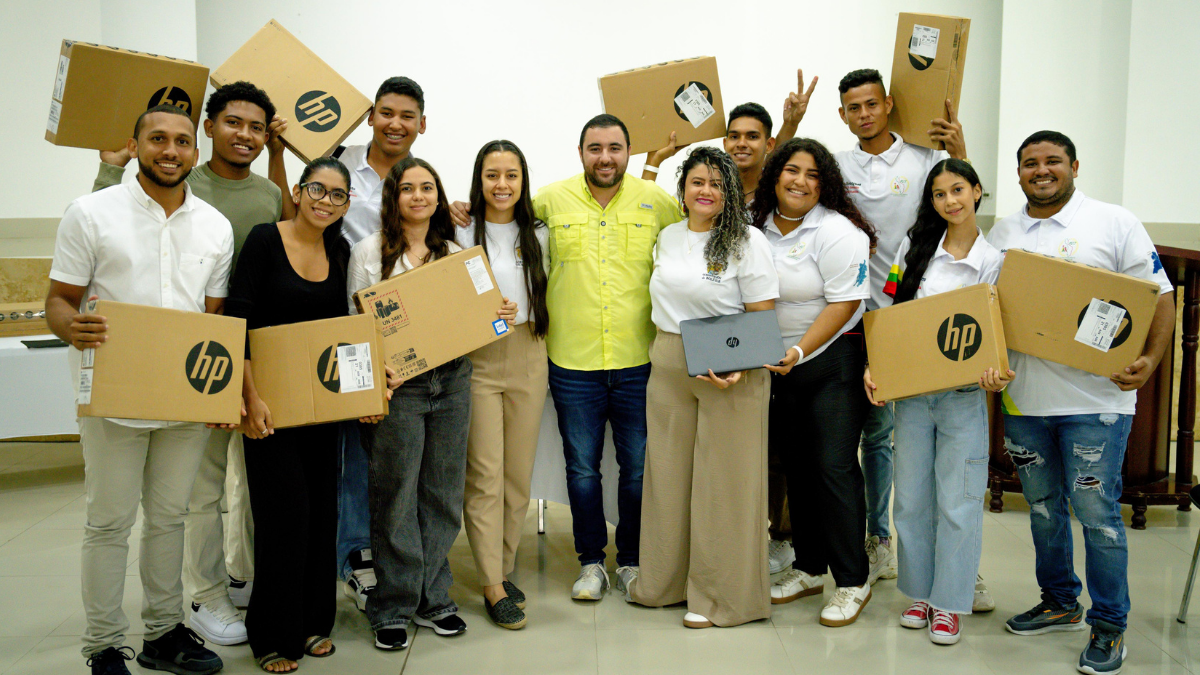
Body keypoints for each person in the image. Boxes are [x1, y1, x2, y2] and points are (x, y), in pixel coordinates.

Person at [451, 114, 683, 600]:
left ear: (626, 151)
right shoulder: (549, 204)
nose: (605, 157)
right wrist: (455, 210)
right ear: (580, 153)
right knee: (582, 469)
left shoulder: (656, 202)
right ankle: (591, 562)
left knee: (639, 467)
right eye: (595, 148)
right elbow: (500, 219)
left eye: (615, 148)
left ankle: (633, 560)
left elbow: (687, 252)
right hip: (571, 362)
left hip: (638, 358)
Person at [93, 80, 285, 646]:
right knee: (198, 490)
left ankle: (239, 576)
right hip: (192, 359)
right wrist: (108, 167)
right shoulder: (177, 180)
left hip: (255, 355)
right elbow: (110, 223)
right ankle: (205, 595)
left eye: (255, 127)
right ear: (207, 130)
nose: (243, 134)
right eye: (232, 123)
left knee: (250, 484)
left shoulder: (269, 195)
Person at [47, 104, 230, 675]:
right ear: (135, 144)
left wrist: (220, 395)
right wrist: (67, 325)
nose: (170, 150)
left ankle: (163, 633)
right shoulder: (90, 213)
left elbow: (213, 323)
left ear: (194, 154)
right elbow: (59, 299)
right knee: (108, 522)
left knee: (170, 517)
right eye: (157, 139)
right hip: (113, 393)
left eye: (181, 141)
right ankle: (103, 645)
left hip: (183, 399)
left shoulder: (215, 226)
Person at [988, 131, 1176, 675]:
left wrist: (1151, 358)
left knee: (1097, 515)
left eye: (1052, 162)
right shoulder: (1005, 232)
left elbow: (1159, 297)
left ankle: (1111, 625)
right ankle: (1060, 601)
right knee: (1044, 512)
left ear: (1074, 166)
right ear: (1018, 172)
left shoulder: (1114, 222)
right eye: (1029, 164)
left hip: (1096, 401)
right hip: (1025, 401)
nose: (1041, 171)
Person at [226, 157, 396, 673]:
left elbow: (350, 333)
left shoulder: (340, 250)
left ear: (348, 204)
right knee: (283, 517)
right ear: (298, 192)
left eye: (338, 195)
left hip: (322, 408)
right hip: (269, 408)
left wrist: (365, 395)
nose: (325, 201)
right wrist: (249, 398)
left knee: (323, 512)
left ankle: (312, 622)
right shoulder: (262, 240)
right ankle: (271, 634)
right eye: (317, 190)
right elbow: (239, 321)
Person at [274, 76, 428, 613]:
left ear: (421, 125)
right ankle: (354, 557)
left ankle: (380, 554)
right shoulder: (340, 168)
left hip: (399, 336)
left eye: (407, 116)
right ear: (370, 118)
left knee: (379, 451)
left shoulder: (416, 179)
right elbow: (295, 206)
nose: (395, 123)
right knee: (347, 449)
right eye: (386, 113)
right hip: (338, 321)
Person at [349, 157, 515, 650]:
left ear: (439, 197)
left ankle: (434, 597)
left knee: (441, 492)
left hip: (454, 381)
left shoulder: (457, 252)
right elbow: (354, 327)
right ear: (392, 197)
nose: (418, 196)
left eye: (427, 188)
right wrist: (373, 384)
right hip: (400, 388)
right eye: (407, 189)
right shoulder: (367, 252)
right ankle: (393, 605)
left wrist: (499, 312)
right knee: (395, 494)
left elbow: (483, 317)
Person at [627, 147, 779, 628]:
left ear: (730, 190)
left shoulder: (746, 240)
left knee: (724, 486)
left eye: (717, 183)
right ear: (684, 189)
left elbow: (762, 314)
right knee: (666, 478)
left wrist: (737, 363)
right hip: (670, 361)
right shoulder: (669, 236)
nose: (706, 191)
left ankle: (721, 599)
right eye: (697, 182)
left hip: (727, 367)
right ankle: (663, 584)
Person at [863, 159, 1007, 646]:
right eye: (940, 194)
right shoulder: (914, 247)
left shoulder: (995, 259)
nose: (950, 201)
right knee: (911, 501)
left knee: (959, 501)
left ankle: (949, 603)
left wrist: (994, 372)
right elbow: (889, 308)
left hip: (964, 396)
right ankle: (920, 593)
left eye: (958, 190)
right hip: (913, 394)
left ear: (978, 192)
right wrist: (877, 365)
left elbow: (998, 331)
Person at [754, 138, 876, 627]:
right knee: (798, 468)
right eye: (791, 170)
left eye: (812, 174)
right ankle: (808, 568)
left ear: (823, 183)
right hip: (775, 365)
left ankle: (853, 581)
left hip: (831, 360)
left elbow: (845, 302)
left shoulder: (838, 230)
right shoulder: (754, 226)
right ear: (775, 175)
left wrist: (800, 350)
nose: (800, 181)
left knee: (833, 467)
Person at [455, 141, 550, 630]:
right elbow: (445, 303)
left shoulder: (538, 232)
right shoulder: (456, 231)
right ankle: (492, 584)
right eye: (492, 175)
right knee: (485, 474)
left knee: (517, 476)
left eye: (511, 175)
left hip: (530, 353)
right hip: (478, 360)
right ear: (479, 179)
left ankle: (505, 566)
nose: (502, 185)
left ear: (522, 180)